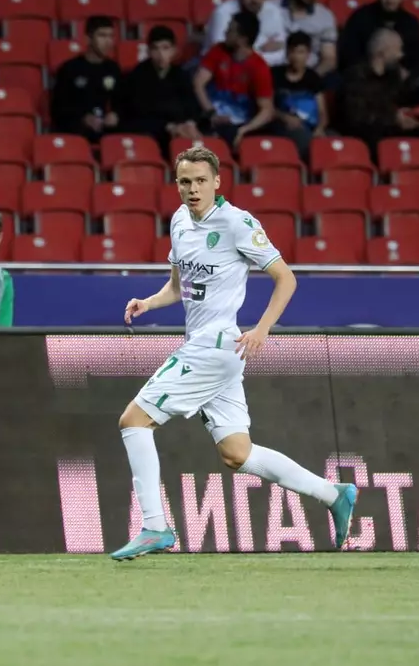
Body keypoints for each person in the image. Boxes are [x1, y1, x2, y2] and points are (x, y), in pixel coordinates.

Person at [109, 145, 358, 560]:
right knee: (237, 453)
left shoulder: (238, 223)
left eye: (200, 181)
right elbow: (179, 287)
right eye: (185, 182)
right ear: (177, 184)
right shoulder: (179, 222)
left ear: (217, 182)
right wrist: (148, 303)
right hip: (213, 351)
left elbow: (286, 278)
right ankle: (334, 494)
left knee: (133, 421)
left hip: (215, 347)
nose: (193, 189)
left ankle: (154, 526)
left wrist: (262, 328)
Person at [336, 28, 419, 161]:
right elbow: (356, 117)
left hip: (391, 130)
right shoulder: (355, 77)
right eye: (397, 50)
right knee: (373, 136)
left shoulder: (392, 76)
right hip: (367, 135)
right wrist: (393, 117)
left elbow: (404, 98)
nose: (400, 55)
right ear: (382, 52)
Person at [194, 11, 275, 150]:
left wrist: (243, 130)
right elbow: (198, 83)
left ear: (242, 39)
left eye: (230, 30)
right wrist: (211, 113)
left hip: (238, 123)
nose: (225, 32)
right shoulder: (218, 50)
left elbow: (267, 110)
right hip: (210, 115)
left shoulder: (259, 67)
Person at [118, 25, 202, 151]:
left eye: (165, 48)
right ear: (148, 51)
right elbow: (138, 113)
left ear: (174, 50)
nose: (161, 54)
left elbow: (192, 105)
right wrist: (169, 127)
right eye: (155, 49)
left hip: (180, 132)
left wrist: (190, 123)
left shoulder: (181, 75)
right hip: (151, 134)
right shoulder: (137, 76)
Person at [338, 0, 419, 78]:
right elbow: (348, 54)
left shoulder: (410, 23)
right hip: (365, 77)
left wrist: (406, 72)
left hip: (399, 79)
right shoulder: (361, 17)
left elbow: (417, 59)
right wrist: (369, 66)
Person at [50, 16, 122, 141]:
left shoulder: (113, 69)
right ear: (88, 39)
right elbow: (59, 108)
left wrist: (115, 115)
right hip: (77, 130)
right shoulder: (70, 69)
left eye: (111, 36)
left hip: (105, 130)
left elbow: (122, 102)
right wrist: (83, 118)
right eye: (102, 36)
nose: (108, 42)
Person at [204, 0, 286, 67]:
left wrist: (250, 54)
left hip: (265, 68)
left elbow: (282, 49)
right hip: (218, 67)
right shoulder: (223, 13)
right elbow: (223, 53)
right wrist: (260, 50)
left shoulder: (273, 11)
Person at [271, 31, 328, 161]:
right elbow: (266, 107)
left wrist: (320, 128)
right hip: (284, 126)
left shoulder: (313, 78)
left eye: (301, 52)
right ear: (287, 53)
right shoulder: (275, 75)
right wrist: (284, 117)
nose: (296, 57)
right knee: (303, 139)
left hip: (312, 126)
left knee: (335, 140)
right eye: (293, 52)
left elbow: (322, 111)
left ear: (308, 54)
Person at [275, 0, 337, 78]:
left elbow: (329, 59)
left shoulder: (325, 16)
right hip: (275, 72)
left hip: (310, 73)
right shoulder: (271, 7)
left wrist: (309, 80)